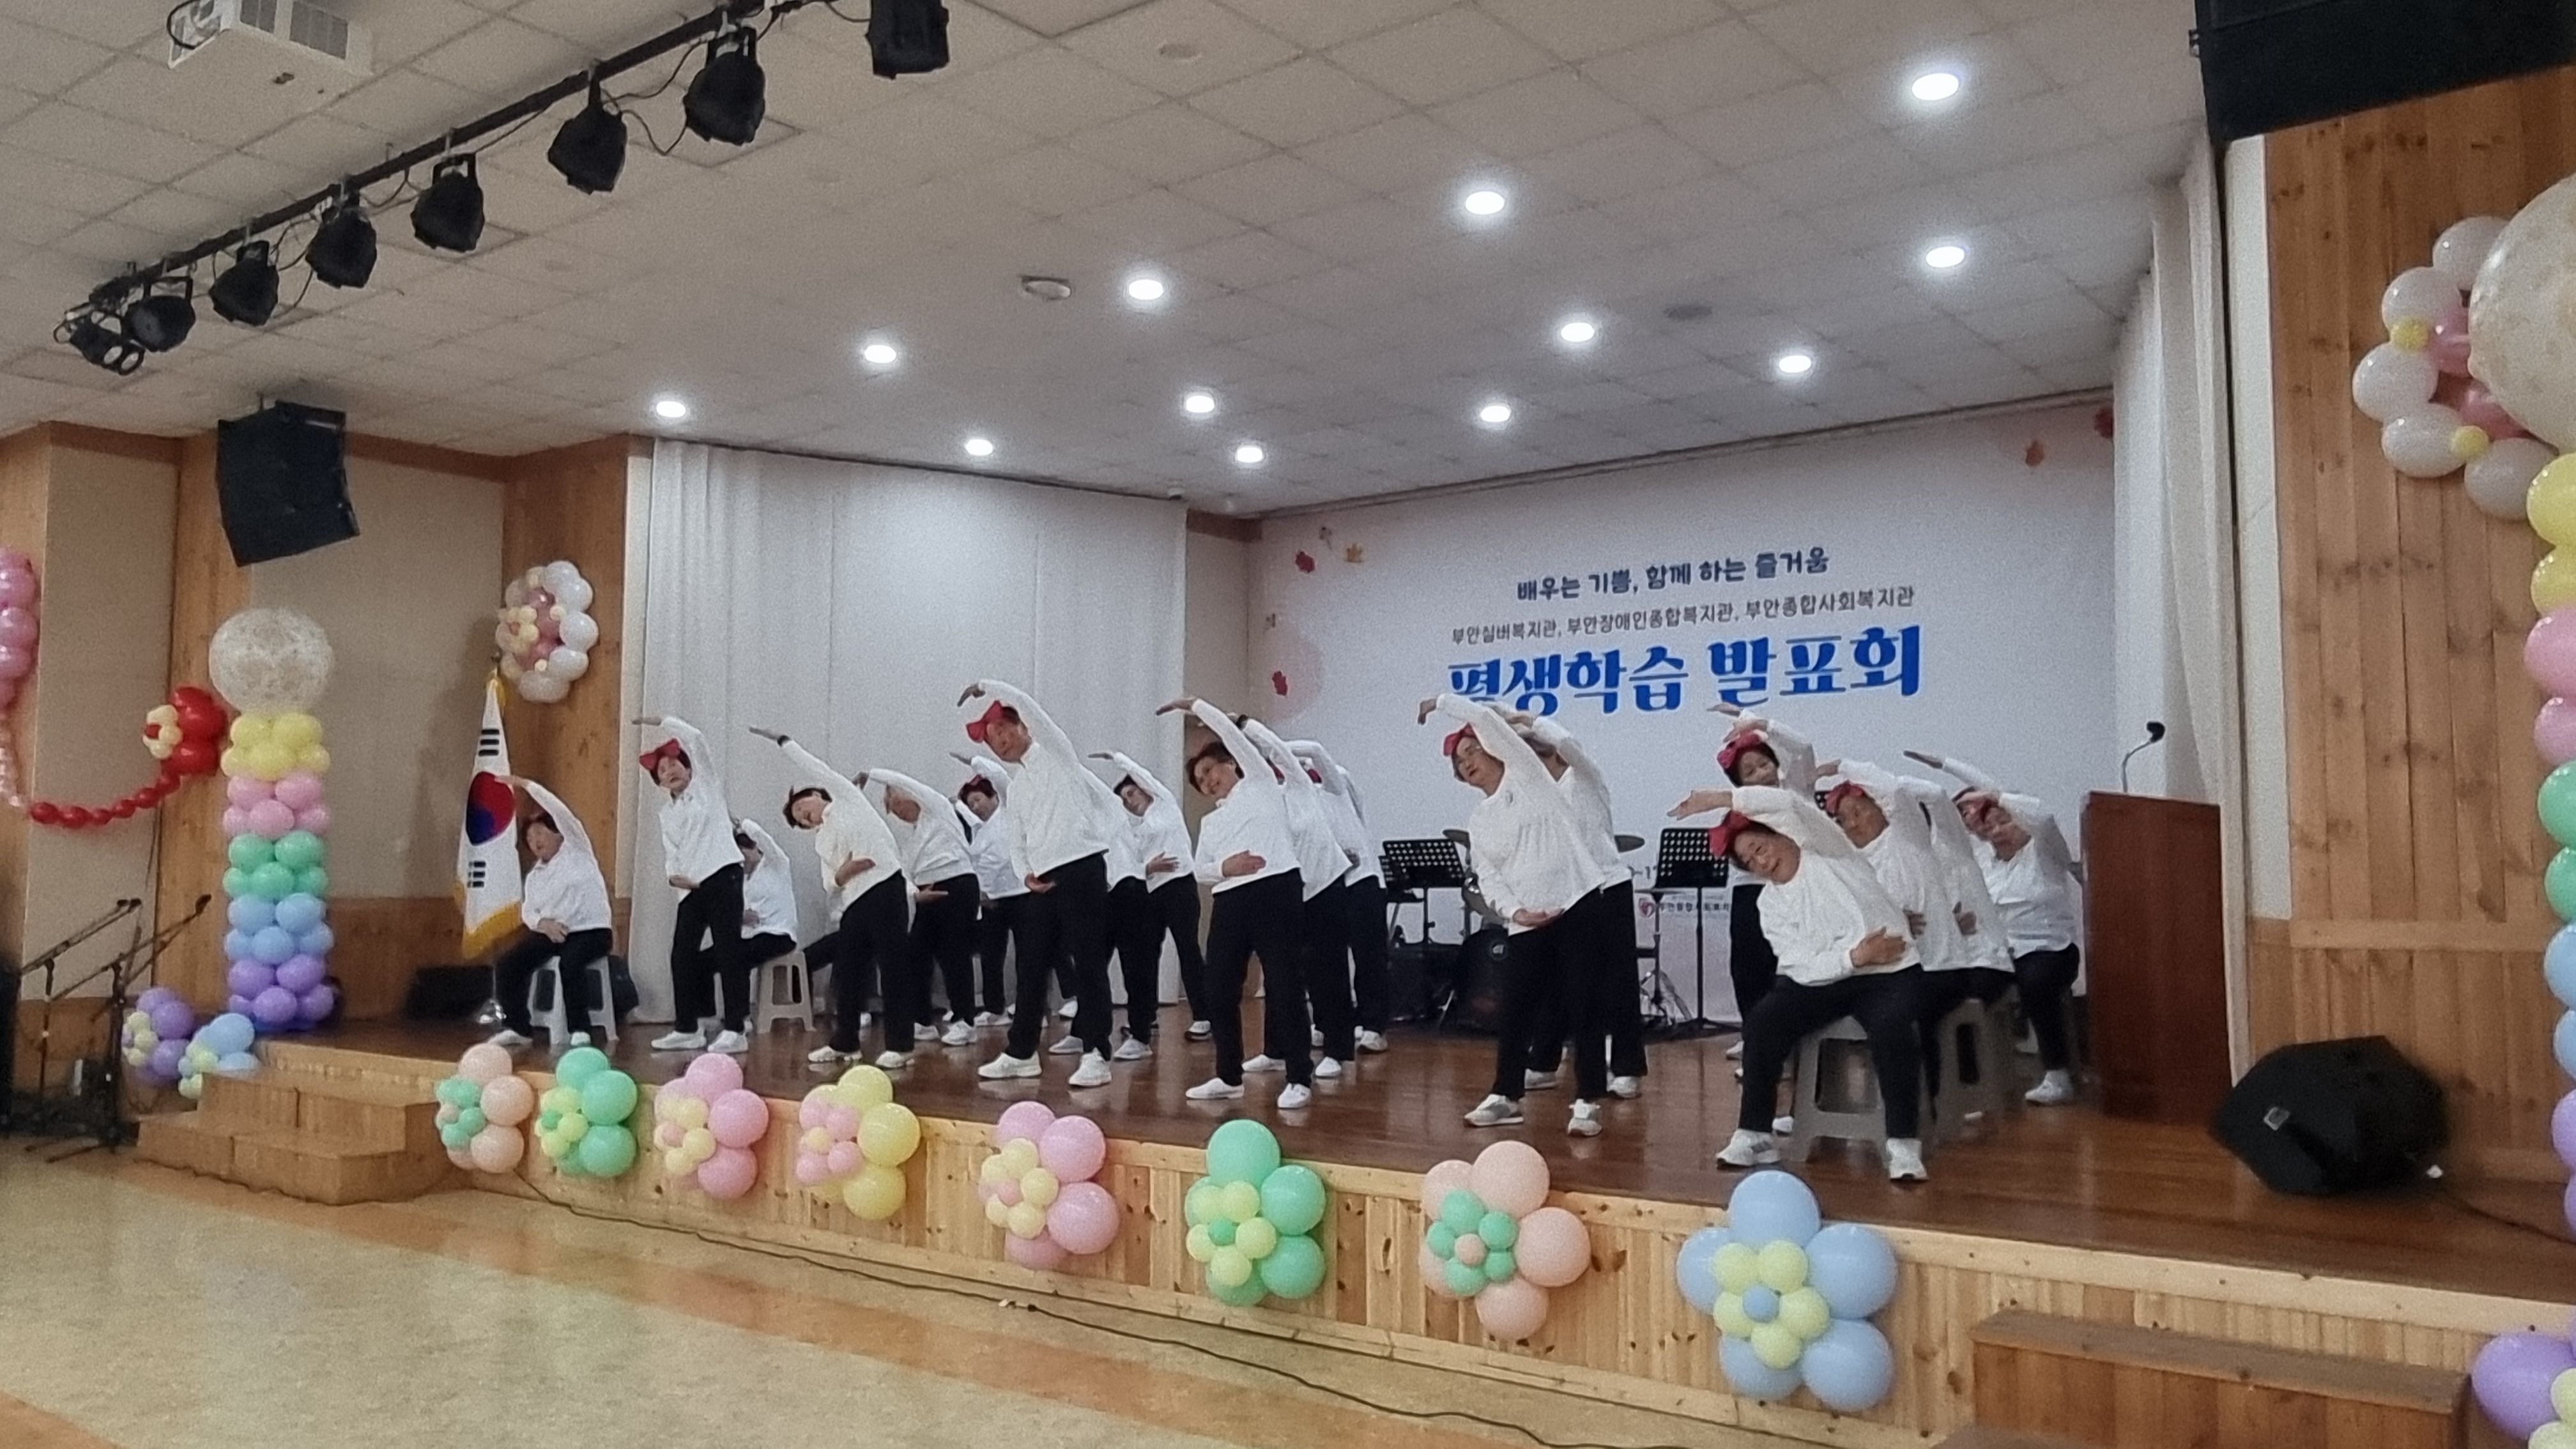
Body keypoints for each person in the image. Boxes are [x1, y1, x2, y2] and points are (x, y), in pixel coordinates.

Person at [1673, 784, 1930, 1182]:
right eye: (1749, 860)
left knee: (1892, 1027)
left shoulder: (1827, 849)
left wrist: (1720, 798)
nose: (1760, 862)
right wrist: (1854, 957)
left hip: (1889, 972)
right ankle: (1755, 1133)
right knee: (1763, 1022)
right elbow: (1800, 967)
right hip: (1834, 976)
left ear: (1780, 834)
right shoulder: (1769, 903)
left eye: (1760, 848)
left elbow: (1790, 803)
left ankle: (1903, 1143)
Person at [1425, 694, 1624, 1138]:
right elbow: (1489, 877)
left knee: (1584, 1004)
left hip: (1577, 902)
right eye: (1460, 761)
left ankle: (1588, 1099)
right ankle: (1505, 1095)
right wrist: (1517, 911)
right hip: (1527, 921)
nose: (1467, 762)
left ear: (1494, 749)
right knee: (1515, 1009)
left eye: (1472, 751)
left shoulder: (1529, 775)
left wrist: (1441, 702)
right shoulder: (1480, 819)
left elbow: (1484, 717)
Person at [960, 680, 1120, 1089]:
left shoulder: (1056, 753)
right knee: (1031, 966)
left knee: (1088, 963)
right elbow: (1017, 838)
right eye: (993, 741)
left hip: (1082, 868)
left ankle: (1097, 1053)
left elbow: (1029, 705)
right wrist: (1025, 873)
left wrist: (987, 687)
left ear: (1022, 726)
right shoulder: (1017, 788)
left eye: (1003, 731)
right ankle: (1021, 1053)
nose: (1000, 743)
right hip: (1043, 881)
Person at [1832, 758, 2018, 1107]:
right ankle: (1866, 1103)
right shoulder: (1856, 864)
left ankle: (1924, 1105)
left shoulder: (1913, 843)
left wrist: (1843, 766)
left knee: (1907, 1017)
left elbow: (1923, 794)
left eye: (1859, 811)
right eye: (1844, 819)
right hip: (1899, 970)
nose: (1853, 823)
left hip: (1946, 966)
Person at [1912, 751, 2086, 1107]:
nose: (1996, 830)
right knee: (1962, 992)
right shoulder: (1984, 862)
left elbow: (2042, 816)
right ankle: (1968, 1084)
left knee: (2036, 983)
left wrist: (1948, 765)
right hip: (2000, 954)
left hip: (2049, 949)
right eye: (1990, 826)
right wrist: (1962, 921)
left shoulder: (2045, 852)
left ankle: (2057, 1075)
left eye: (2005, 822)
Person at [1163, 698, 1313, 1109]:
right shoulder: (1210, 822)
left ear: (1231, 763)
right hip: (1229, 900)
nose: (1208, 782)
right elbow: (1199, 869)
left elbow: (1233, 734)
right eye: (1200, 781)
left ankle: (1299, 1076)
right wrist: (1226, 867)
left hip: (1276, 888)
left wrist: (1197, 706)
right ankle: (1229, 1076)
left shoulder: (1260, 782)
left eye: (1210, 771)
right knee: (1218, 988)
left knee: (1284, 984)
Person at [753, 728, 910, 1071]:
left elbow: (816, 767)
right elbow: (830, 883)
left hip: (885, 888)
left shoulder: (846, 799)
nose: (805, 817)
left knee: (893, 967)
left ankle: (900, 1045)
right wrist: (846, 871)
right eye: (800, 820)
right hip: (854, 903)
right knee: (849, 973)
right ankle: (845, 1043)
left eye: (803, 808)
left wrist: (785, 743)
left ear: (815, 795)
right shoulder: (821, 839)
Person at [1511, 714, 1646, 1099]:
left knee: (1618, 981)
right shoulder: (1538, 798)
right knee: (1558, 979)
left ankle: (1627, 1068)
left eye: (1539, 760)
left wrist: (1528, 720)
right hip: (1566, 893)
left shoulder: (1585, 776)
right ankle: (1544, 1062)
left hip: (1607, 887)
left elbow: (1569, 742)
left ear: (1554, 755)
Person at [1236, 714, 1356, 1078]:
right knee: (1281, 976)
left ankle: (1337, 1049)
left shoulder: (1300, 786)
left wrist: (1243, 724)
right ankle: (1276, 1049)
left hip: (1325, 887)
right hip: (1288, 894)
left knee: (1328, 971)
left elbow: (1279, 750)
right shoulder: (1261, 804)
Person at [635, 715, 751, 1054]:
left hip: (723, 875)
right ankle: (688, 1028)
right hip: (692, 888)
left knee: (729, 952)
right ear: (659, 781)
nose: (669, 772)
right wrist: (673, 876)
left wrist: (663, 722)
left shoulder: (706, 787)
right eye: (662, 771)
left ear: (687, 767)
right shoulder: (666, 814)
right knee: (682, 955)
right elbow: (671, 852)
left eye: (674, 764)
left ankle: (736, 1029)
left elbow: (697, 739)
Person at [1712, 708, 1820, 1054]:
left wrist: (1760, 723)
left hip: (1797, 889)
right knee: (1747, 968)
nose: (1761, 774)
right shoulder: (1742, 808)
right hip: (1750, 891)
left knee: (1786, 967)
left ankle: (1788, 1042)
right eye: (1750, 772)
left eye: (1764, 764)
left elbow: (1803, 748)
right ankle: (1755, 1037)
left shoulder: (1797, 790)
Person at [485, 777, 611, 1050]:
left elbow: (560, 811)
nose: (535, 841)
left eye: (540, 833)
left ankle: (580, 1029)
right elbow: (528, 910)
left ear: (558, 834)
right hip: (552, 933)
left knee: (571, 962)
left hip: (591, 931)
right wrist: (542, 924)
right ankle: (518, 1027)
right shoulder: (535, 875)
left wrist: (527, 786)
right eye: (530, 839)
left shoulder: (577, 850)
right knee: (508, 964)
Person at [862, 765, 983, 1048]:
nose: (898, 813)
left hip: (957, 885)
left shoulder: (938, 810)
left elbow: (908, 781)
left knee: (955, 956)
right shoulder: (913, 839)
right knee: (915, 955)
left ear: (910, 796)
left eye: (897, 804)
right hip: (927, 895)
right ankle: (922, 1020)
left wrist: (873, 774)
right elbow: (905, 875)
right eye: (893, 810)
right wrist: (916, 895)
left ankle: (965, 1021)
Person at [1288, 739, 1392, 1055]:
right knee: (1321, 960)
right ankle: (1326, 1023)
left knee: (1368, 955)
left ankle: (1373, 1026)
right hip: (1323, 885)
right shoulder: (1292, 802)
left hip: (1361, 880)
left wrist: (1270, 745)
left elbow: (1316, 750)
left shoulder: (1335, 787)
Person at [1099, 750, 1212, 1041]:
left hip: (1179, 886)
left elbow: (1143, 776)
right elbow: (1129, 866)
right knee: (1146, 955)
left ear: (1143, 790)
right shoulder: (1133, 831)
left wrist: (1118, 759)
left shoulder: (1165, 805)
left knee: (1187, 949)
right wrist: (1148, 867)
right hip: (1150, 893)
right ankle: (1145, 1017)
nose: (1129, 802)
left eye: (1131, 794)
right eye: (1124, 800)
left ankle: (1204, 1017)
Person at [955, 761, 1019, 1028]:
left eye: (978, 800)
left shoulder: (1008, 813)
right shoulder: (979, 831)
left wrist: (975, 762)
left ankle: (1033, 1010)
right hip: (991, 901)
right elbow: (979, 865)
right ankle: (995, 1009)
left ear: (993, 797)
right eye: (971, 804)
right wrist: (982, 893)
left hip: (1020, 894)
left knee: (1028, 957)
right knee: (991, 957)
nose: (975, 807)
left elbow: (1001, 778)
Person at [735, 816, 801, 999]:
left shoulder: (776, 864)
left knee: (738, 959)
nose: (742, 862)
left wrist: (742, 825)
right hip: (749, 935)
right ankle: (708, 1012)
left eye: (744, 855)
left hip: (778, 934)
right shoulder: (739, 879)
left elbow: (763, 837)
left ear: (754, 848)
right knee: (710, 959)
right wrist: (740, 917)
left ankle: (740, 1012)